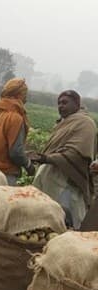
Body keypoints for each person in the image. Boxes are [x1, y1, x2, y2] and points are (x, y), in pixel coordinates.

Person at [29, 90, 97, 229]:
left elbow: (77, 154)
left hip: (67, 181)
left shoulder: (86, 123)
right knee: (45, 218)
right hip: (50, 177)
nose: (61, 106)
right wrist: (43, 158)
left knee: (64, 219)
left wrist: (47, 158)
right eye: (59, 103)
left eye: (65, 102)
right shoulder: (63, 123)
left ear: (77, 104)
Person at [0, 78, 34, 185]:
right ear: (18, 95)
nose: (26, 99)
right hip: (4, 174)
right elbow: (15, 152)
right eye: (24, 95)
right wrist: (28, 165)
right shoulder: (16, 118)